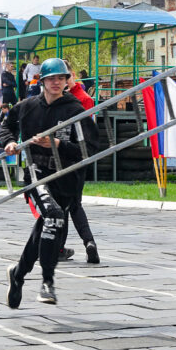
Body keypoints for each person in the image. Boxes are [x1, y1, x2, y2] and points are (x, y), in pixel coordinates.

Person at [0, 57, 98, 309]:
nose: (56, 83)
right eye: (51, 78)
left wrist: (58, 144)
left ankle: (18, 274)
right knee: (53, 218)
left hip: (66, 180)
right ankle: (47, 282)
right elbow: (6, 126)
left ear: (67, 81)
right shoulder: (27, 106)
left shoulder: (75, 110)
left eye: (61, 78)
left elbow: (91, 148)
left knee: (45, 228)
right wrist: (10, 142)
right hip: (37, 173)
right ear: (42, 81)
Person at [57, 60, 100, 264]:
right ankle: (88, 242)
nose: (61, 81)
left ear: (71, 75)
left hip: (72, 153)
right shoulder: (59, 97)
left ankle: (60, 247)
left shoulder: (81, 98)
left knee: (67, 204)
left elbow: (86, 128)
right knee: (72, 204)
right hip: (65, 156)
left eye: (64, 76)